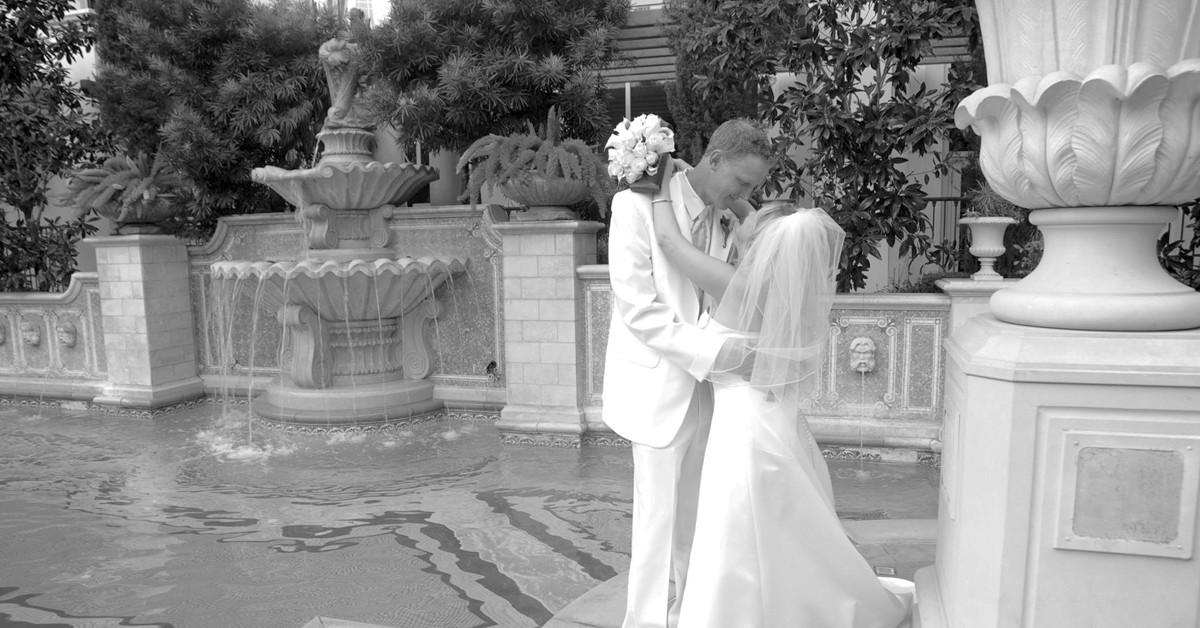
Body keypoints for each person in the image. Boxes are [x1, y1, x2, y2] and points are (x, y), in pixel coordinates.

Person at [649, 198, 915, 628]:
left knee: (738, 525)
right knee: (777, 525)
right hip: (774, 417)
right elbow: (760, 223)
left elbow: (668, 242)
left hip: (742, 426)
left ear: (757, 241)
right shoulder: (788, 290)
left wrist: (654, 183)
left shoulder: (735, 283)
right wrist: (743, 208)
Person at [602, 118, 772, 628]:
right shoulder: (633, 205)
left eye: (753, 188)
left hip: (711, 394)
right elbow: (639, 309)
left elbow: (727, 300)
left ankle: (692, 614)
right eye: (742, 183)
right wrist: (715, 356)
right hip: (659, 386)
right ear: (714, 160)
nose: (746, 195)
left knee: (697, 518)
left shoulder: (729, 219)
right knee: (656, 523)